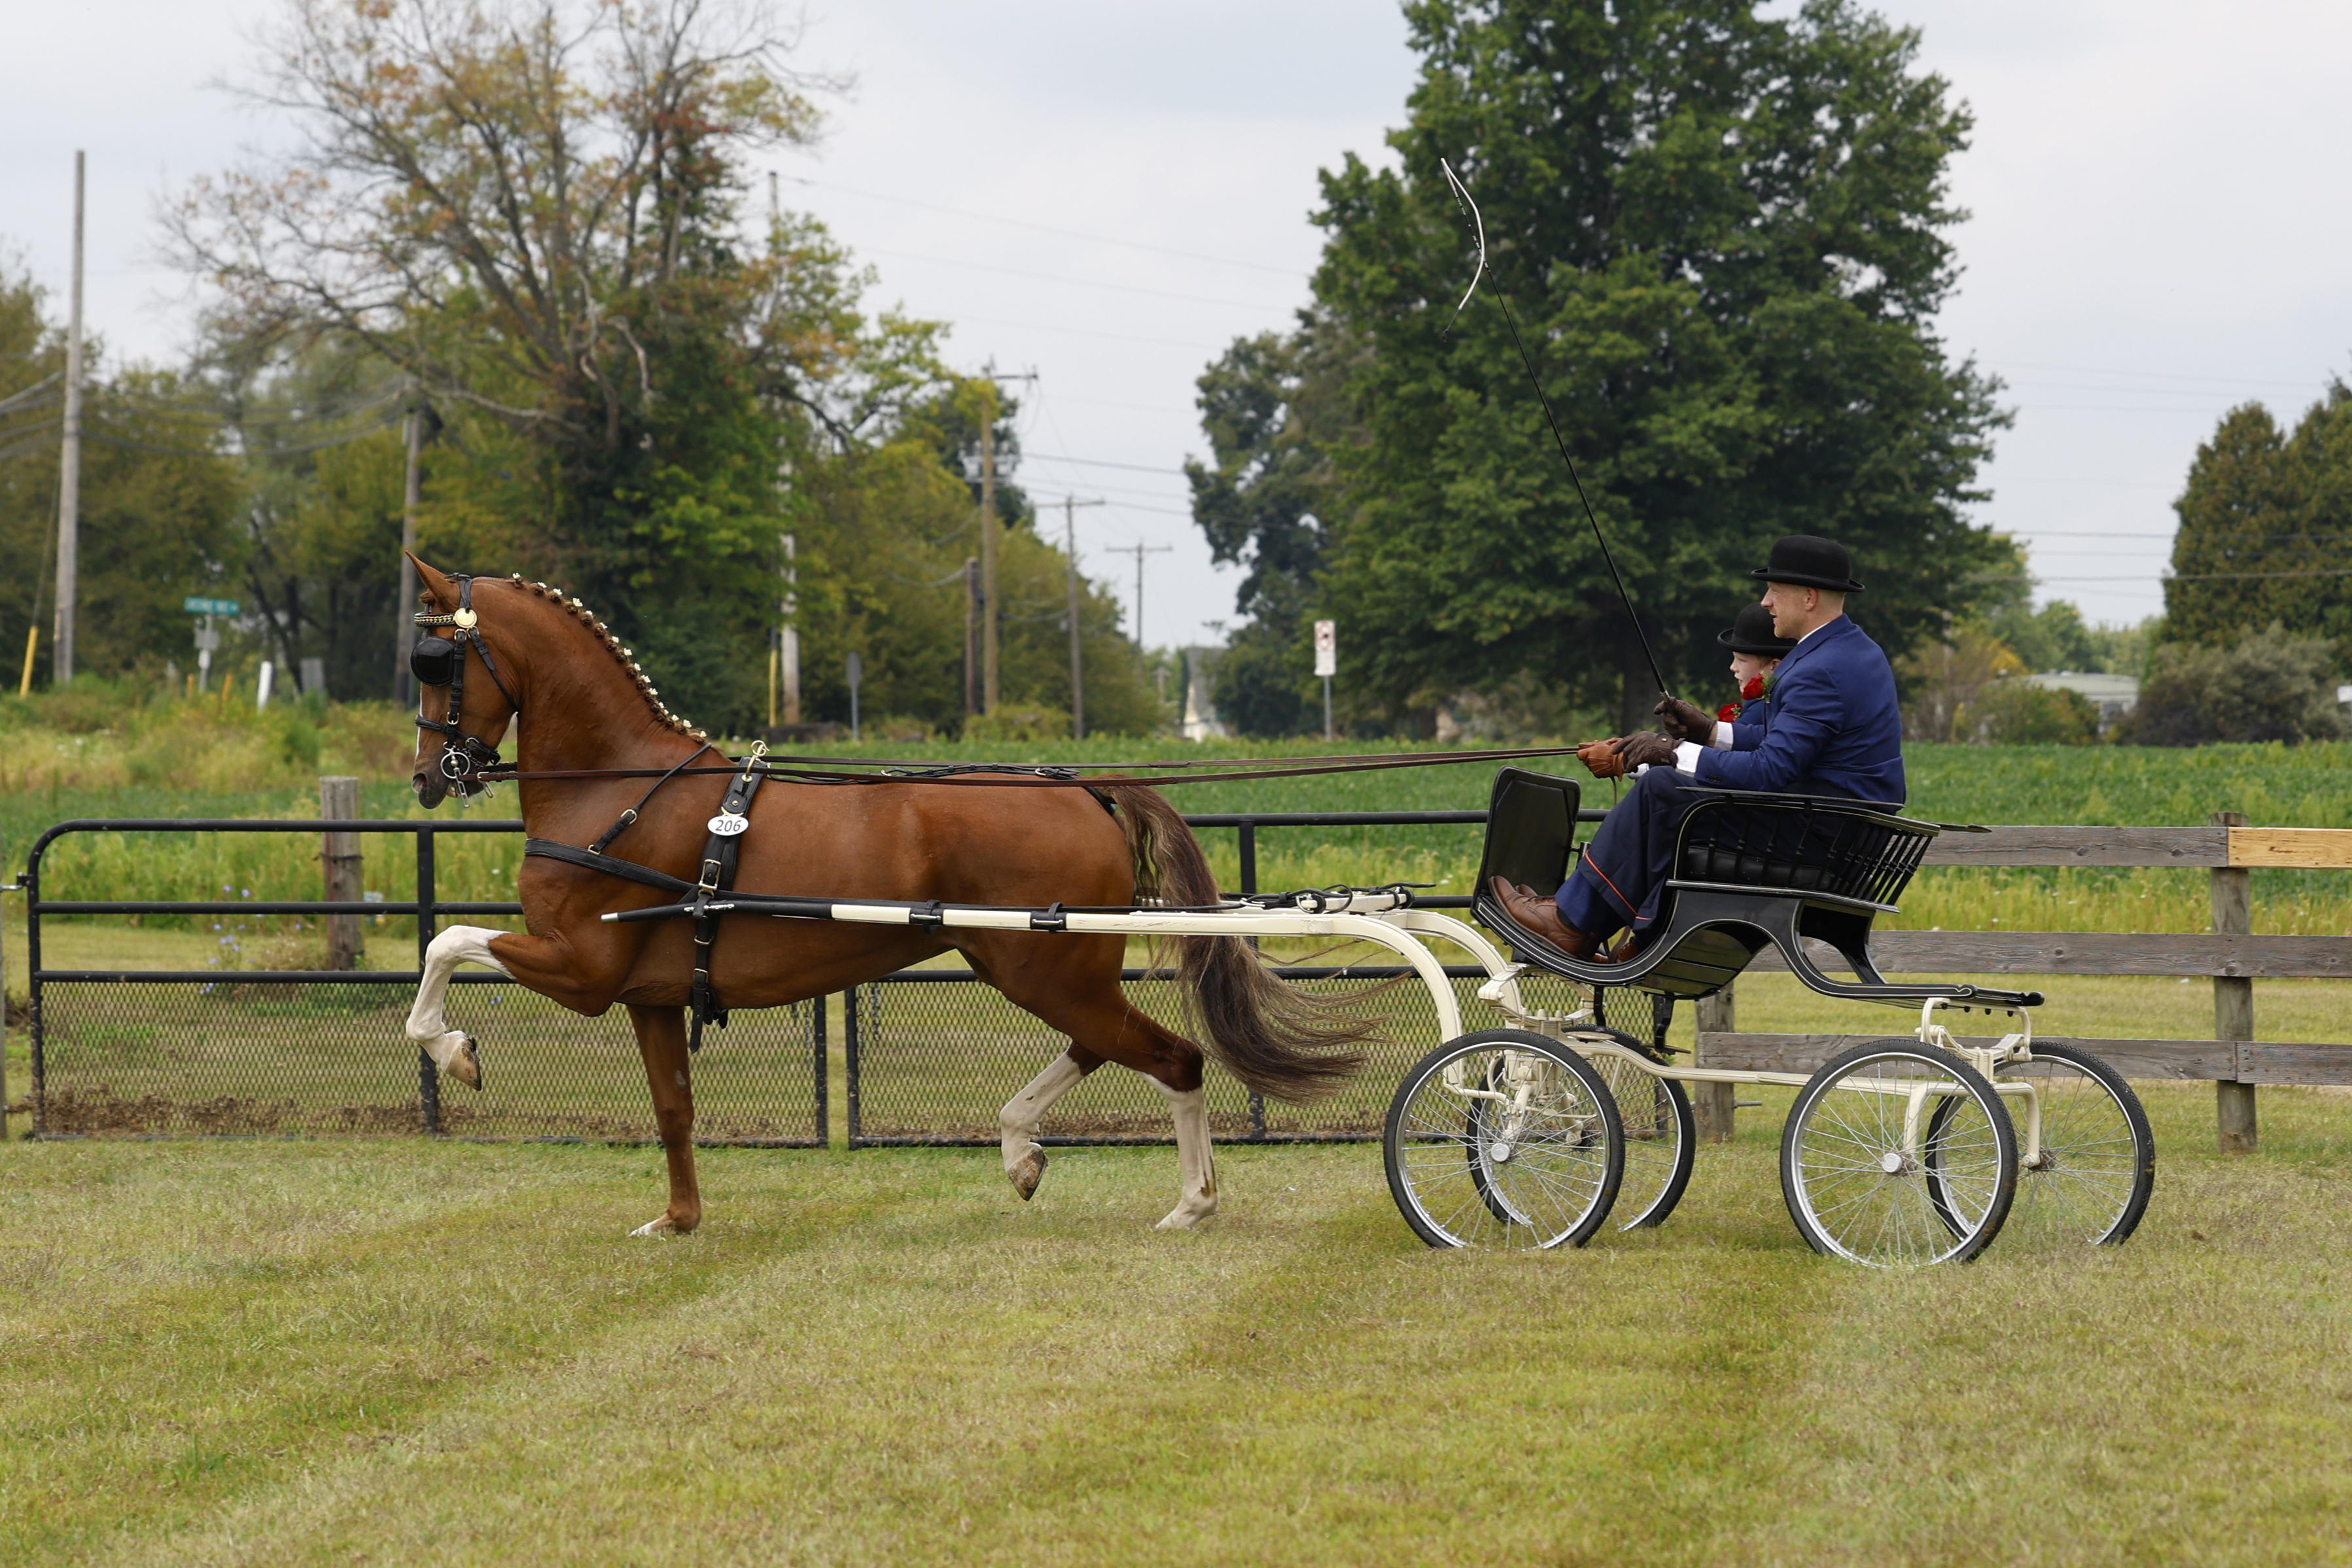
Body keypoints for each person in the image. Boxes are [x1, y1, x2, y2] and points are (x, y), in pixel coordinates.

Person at [1491, 535, 1904, 961]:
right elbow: (1780, 741)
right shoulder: (1855, 650)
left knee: (1663, 790)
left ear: (1809, 597)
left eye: (1773, 591)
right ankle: (1629, 929)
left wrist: (1671, 753)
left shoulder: (1818, 668)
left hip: (1816, 833)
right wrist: (1707, 730)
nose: (1765, 603)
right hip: (1842, 829)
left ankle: (1572, 923)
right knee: (1673, 790)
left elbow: (1770, 769)